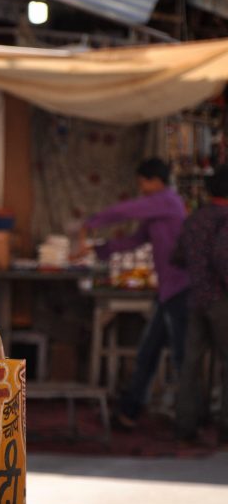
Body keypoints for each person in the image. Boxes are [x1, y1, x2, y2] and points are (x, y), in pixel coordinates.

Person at [81, 158, 191, 430]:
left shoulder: (167, 201)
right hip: (168, 290)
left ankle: (187, 419)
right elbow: (135, 240)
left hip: (181, 288)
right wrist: (99, 250)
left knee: (180, 356)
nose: (141, 188)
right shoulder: (159, 209)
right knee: (148, 353)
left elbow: (128, 211)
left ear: (156, 181)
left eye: (143, 182)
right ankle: (131, 411)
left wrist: (92, 223)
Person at [172, 165, 228, 446]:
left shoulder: (195, 218)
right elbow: (222, 256)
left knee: (191, 364)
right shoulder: (225, 217)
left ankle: (186, 424)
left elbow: (178, 255)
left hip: (196, 297)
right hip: (221, 298)